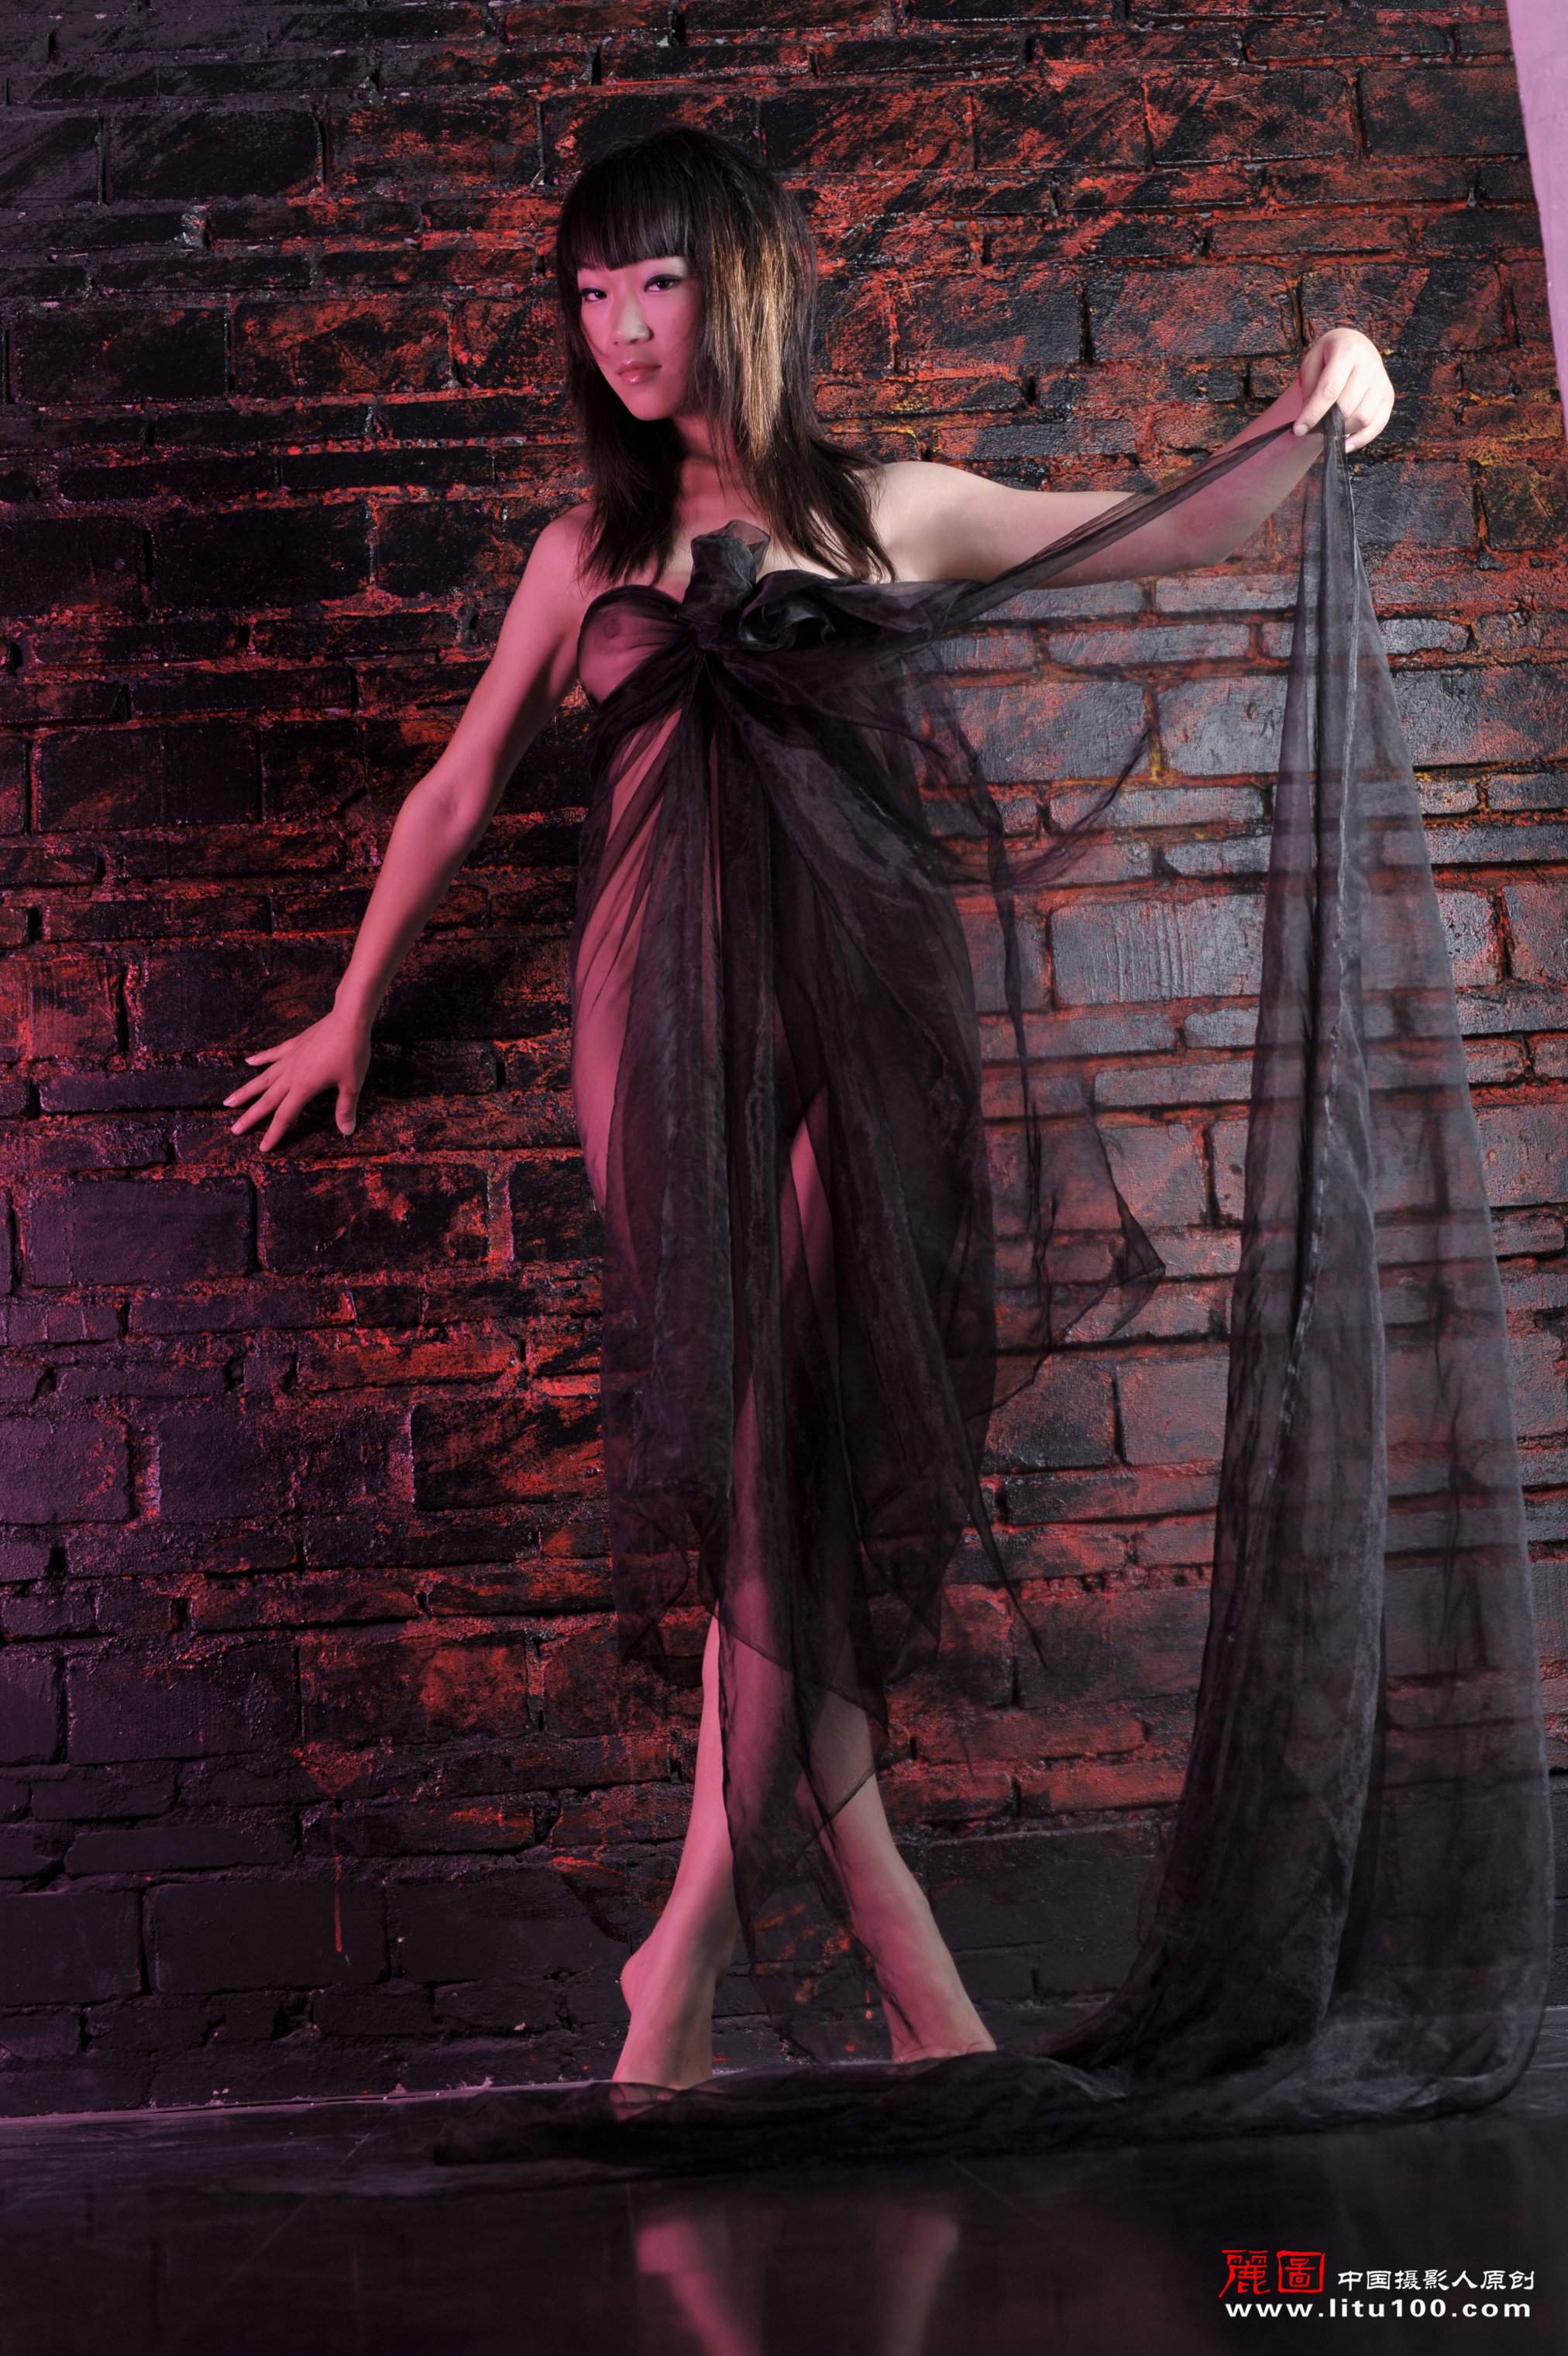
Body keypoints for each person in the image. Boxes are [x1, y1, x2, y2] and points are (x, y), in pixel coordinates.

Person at [227, 128, 1539, 2136]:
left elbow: (1159, 533)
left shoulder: (885, 506)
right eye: (590, 293)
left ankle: (716, 1950)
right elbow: (460, 788)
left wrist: (1320, 403)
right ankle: (854, 1947)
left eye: (656, 281)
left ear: (740, 284)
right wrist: (350, 1001)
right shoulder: (582, 555)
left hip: (873, 1010)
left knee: (804, 1463)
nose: (621, 327)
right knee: (775, 1463)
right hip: (659, 1028)